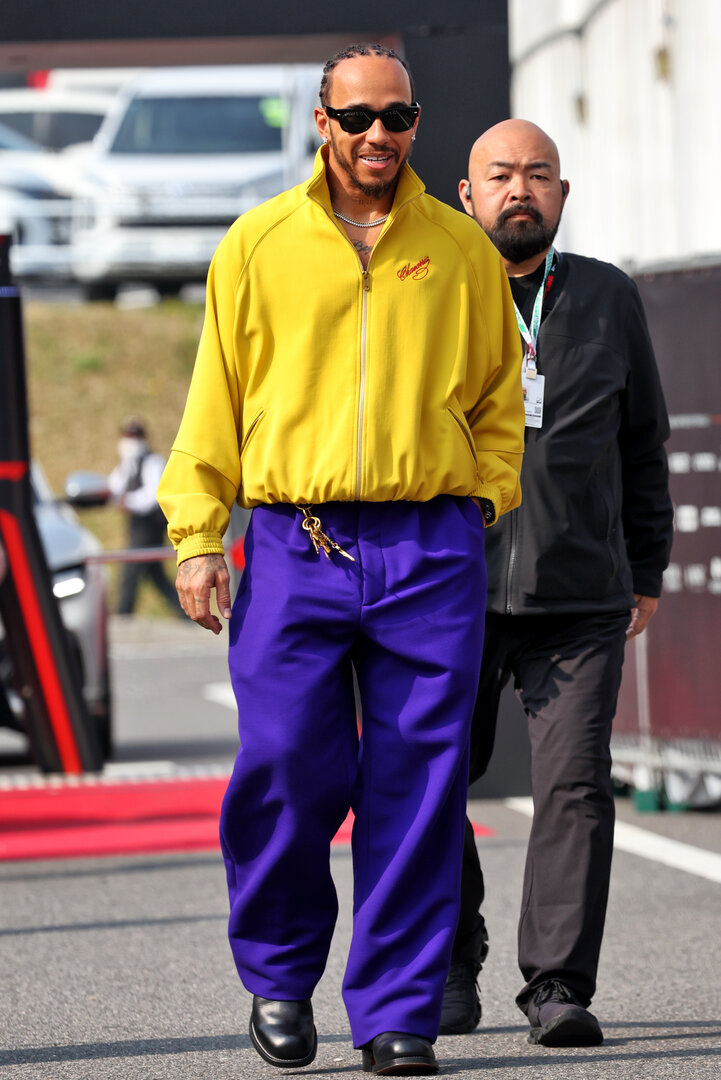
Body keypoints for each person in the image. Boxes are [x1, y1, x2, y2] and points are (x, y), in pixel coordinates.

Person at [157, 44, 524, 1076]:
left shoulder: (459, 250)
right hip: (293, 541)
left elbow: (499, 399)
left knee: (418, 785)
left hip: (428, 545)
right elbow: (215, 401)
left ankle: (397, 1011)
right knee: (283, 764)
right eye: (357, 117)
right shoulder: (258, 243)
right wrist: (197, 536)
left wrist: (483, 496)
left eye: (395, 118)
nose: (377, 136)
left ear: (415, 125)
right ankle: (279, 977)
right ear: (321, 120)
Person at [438, 119, 673, 1047]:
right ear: (467, 195)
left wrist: (644, 567)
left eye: (537, 175)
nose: (518, 189)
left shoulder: (607, 296)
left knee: (574, 789)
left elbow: (642, 442)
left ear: (561, 195)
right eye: (499, 175)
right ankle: (450, 958)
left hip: (579, 595)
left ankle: (556, 986)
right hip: (445, 591)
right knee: (425, 783)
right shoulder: (431, 291)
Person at [108, 417, 180, 615]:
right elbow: (113, 487)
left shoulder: (153, 462)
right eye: (127, 436)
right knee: (157, 576)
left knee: (130, 574)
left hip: (150, 528)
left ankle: (122, 617)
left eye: (134, 436)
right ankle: (186, 615)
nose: (130, 442)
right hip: (135, 527)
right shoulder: (127, 465)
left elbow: (152, 497)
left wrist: (126, 501)